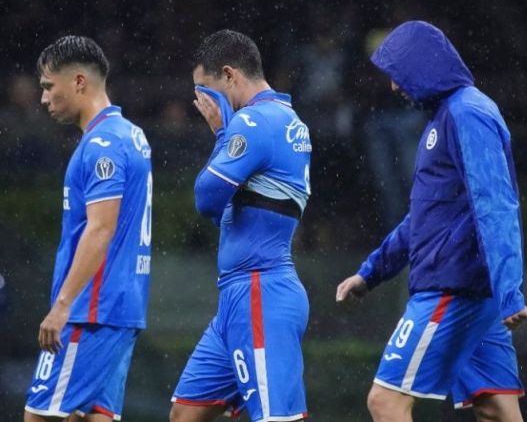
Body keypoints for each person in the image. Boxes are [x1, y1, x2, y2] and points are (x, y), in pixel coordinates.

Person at [336, 20, 527, 422]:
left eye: (398, 75)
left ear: (423, 66)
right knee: (498, 408)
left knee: (385, 401)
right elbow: (423, 219)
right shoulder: (447, 117)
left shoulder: (467, 113)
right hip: (473, 291)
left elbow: (494, 204)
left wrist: (511, 289)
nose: (394, 86)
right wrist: (371, 272)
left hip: (452, 288)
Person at [170, 30, 312, 422]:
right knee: (185, 413)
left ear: (230, 76)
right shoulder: (284, 118)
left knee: (276, 419)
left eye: (205, 90)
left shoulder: (255, 121)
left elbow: (206, 197)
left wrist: (220, 134)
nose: (201, 103)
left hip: (259, 291)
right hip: (239, 298)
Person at [24, 36, 152, 422]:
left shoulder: (103, 143)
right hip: (122, 308)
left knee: (39, 416)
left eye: (49, 86)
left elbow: (100, 230)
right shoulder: (132, 135)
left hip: (90, 312)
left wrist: (62, 306)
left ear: (79, 81)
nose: (44, 99)